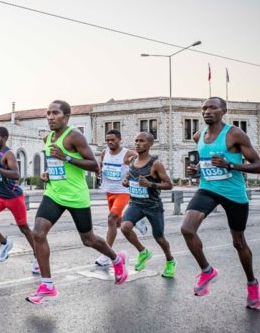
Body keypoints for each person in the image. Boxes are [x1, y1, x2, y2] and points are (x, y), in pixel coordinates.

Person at [27, 100, 128, 305]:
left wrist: (66, 158)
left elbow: (93, 165)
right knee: (37, 233)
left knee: (88, 239)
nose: (50, 117)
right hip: (54, 193)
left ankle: (116, 259)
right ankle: (47, 285)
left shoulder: (75, 136)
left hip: (76, 196)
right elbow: (55, 163)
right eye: (48, 113)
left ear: (66, 116)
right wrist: (49, 174)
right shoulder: (47, 138)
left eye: (55, 113)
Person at [181, 97, 260, 310]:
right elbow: (206, 162)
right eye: (204, 108)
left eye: (212, 107)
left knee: (238, 242)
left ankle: (252, 284)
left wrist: (230, 165)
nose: (207, 111)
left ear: (223, 111)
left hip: (233, 194)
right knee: (187, 229)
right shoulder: (198, 136)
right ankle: (207, 271)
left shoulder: (234, 134)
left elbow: (259, 166)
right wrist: (198, 170)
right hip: (208, 189)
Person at [0, 126, 39, 273]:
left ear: (5, 138)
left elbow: (15, 174)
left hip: (13, 197)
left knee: (24, 228)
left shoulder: (9, 154)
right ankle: (4, 242)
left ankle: (38, 256)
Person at [120, 132, 177, 277]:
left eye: (142, 141)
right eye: (136, 140)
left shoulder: (155, 164)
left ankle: (170, 260)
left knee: (159, 237)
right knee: (125, 227)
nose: (138, 143)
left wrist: (150, 183)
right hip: (136, 203)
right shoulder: (132, 160)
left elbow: (169, 185)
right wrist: (126, 181)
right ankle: (143, 251)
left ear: (150, 144)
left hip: (153, 206)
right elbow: (131, 175)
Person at [95, 129, 147, 266]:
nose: (110, 142)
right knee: (118, 223)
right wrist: (99, 172)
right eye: (108, 140)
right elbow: (102, 166)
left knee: (111, 219)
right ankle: (135, 225)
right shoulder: (104, 152)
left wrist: (132, 164)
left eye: (113, 140)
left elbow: (142, 161)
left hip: (123, 192)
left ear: (119, 140)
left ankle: (106, 255)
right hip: (109, 191)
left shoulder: (127, 153)